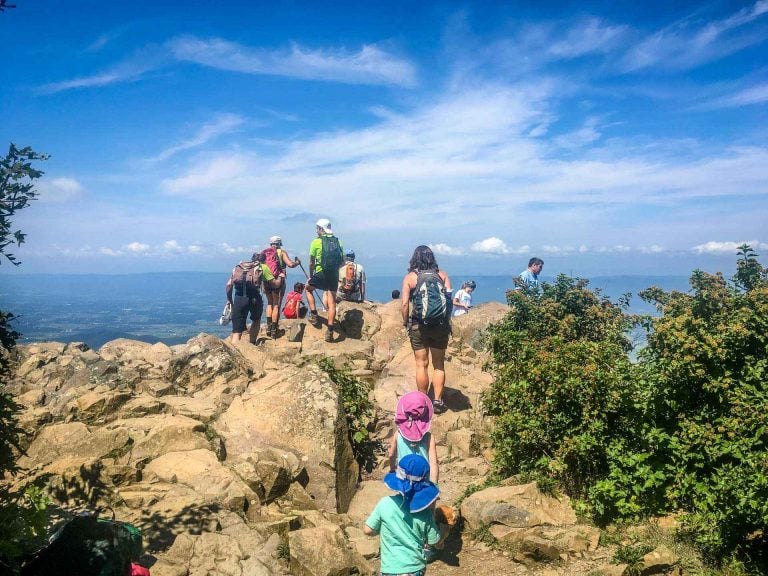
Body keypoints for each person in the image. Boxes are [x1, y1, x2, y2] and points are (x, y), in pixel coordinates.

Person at [364, 454, 443, 576]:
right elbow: (433, 541)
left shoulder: (385, 503)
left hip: (390, 569)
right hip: (415, 568)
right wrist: (442, 539)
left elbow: (368, 530)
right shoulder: (425, 512)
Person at [401, 245, 452, 414]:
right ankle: (437, 401)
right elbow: (449, 301)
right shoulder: (442, 275)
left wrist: (405, 323)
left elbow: (404, 304)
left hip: (419, 325)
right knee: (439, 364)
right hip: (440, 325)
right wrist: (446, 322)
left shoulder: (410, 278)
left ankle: (422, 403)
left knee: (421, 364)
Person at [225, 252, 278, 344]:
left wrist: (229, 299)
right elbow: (275, 284)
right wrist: (280, 277)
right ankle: (252, 342)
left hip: (239, 298)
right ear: (264, 260)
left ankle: (235, 348)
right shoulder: (262, 267)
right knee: (256, 320)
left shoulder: (240, 267)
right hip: (254, 298)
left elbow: (229, 285)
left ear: (252, 259)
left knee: (237, 329)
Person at [306, 218, 344, 342]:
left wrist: (311, 276)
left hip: (320, 273)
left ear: (321, 229)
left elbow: (311, 262)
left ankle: (314, 315)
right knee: (332, 303)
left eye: (317, 228)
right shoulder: (338, 242)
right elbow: (342, 262)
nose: (316, 230)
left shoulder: (316, 242)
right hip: (333, 275)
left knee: (308, 289)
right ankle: (330, 330)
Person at [389, 391, 439, 484]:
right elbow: (433, 463)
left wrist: (392, 469)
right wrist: (434, 484)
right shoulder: (429, 437)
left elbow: (391, 455)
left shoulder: (398, 434)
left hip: (403, 478)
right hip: (423, 480)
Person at [262, 236, 300, 338]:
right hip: (278, 280)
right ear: (280, 244)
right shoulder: (282, 252)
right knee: (276, 305)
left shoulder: (265, 253)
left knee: (269, 303)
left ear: (271, 243)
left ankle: (268, 327)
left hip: (266, 281)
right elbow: (290, 264)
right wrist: (297, 262)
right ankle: (274, 330)